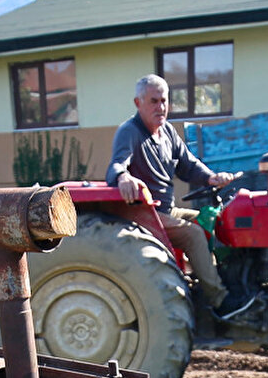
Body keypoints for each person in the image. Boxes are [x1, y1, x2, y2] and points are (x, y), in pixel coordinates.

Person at [106, 73, 253, 321]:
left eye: (164, 100)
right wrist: (124, 177)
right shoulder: (129, 132)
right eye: (154, 101)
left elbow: (188, 164)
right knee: (194, 234)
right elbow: (117, 165)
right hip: (144, 213)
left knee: (215, 221)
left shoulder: (168, 133)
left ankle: (220, 279)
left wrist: (211, 178)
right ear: (138, 103)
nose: (161, 107)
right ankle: (219, 301)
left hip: (167, 209)